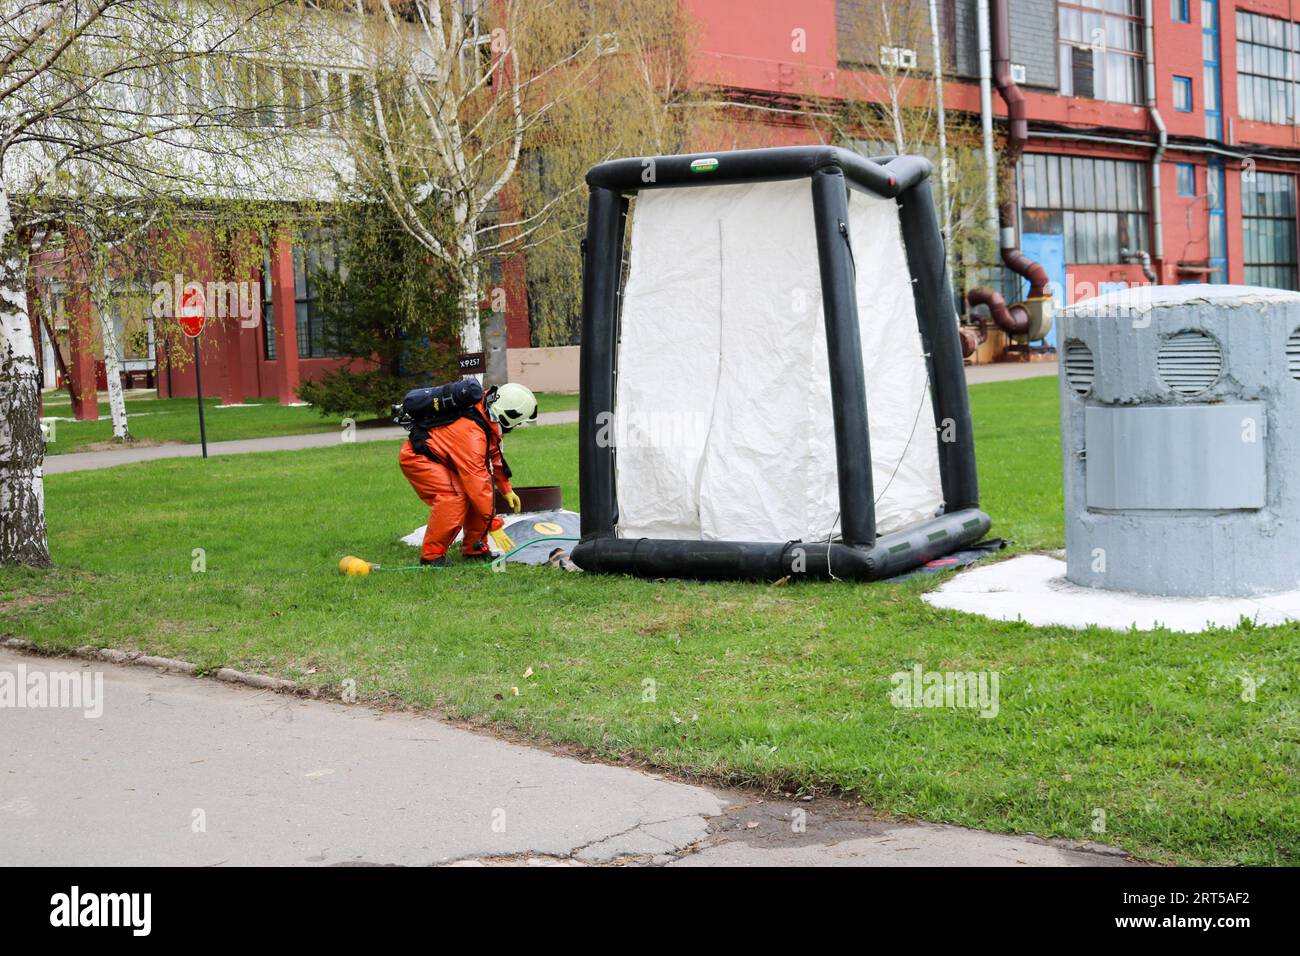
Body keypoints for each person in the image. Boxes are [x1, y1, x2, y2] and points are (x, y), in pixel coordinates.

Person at [397, 381, 538, 567]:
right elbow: (477, 482)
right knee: (453, 497)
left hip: (442, 458)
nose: (518, 426)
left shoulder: (485, 416)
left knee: (475, 497)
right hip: (420, 457)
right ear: (510, 415)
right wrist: (493, 523)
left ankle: (475, 549)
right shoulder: (473, 433)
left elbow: (493, 456)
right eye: (519, 422)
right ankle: (431, 556)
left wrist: (506, 488)